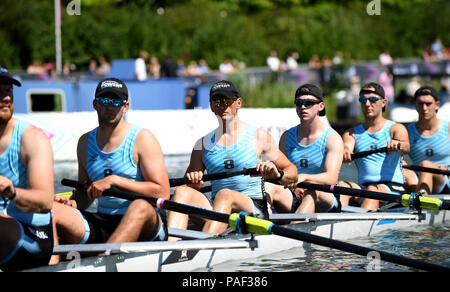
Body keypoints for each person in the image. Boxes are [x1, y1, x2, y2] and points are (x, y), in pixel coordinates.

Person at [166, 80, 297, 240]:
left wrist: (277, 174)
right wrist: (193, 182)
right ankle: (170, 246)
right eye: (217, 101)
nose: (222, 105)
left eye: (227, 101)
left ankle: (201, 248)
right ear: (211, 106)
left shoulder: (259, 136)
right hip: (219, 211)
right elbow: (191, 186)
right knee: (181, 192)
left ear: (238, 103)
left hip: (253, 212)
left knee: (225, 194)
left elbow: (292, 173)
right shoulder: (202, 144)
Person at [51, 78, 170, 251]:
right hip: (103, 220)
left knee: (140, 206)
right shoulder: (84, 143)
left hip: (145, 223)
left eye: (116, 101)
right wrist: (71, 204)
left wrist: (115, 181)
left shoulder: (143, 139)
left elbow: (163, 192)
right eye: (104, 101)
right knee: (52, 209)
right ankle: (51, 265)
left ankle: (103, 261)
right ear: (95, 104)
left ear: (125, 106)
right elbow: (85, 194)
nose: (110, 106)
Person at [0, 66, 55, 271]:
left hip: (33, 236)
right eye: (0, 91)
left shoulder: (32, 139)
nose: (6, 98)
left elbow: (44, 202)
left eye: (9, 91)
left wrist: (12, 192)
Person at [264, 84, 344, 214]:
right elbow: (282, 173)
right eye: (299, 103)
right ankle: (263, 226)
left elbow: (331, 178)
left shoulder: (332, 138)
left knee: (311, 192)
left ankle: (294, 229)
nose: (303, 107)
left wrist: (303, 178)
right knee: (268, 187)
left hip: (324, 197)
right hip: (294, 194)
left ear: (321, 106)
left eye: (309, 103)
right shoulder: (286, 137)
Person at [338, 82, 410, 210]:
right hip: (366, 187)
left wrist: (398, 144)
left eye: (372, 100)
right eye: (363, 100)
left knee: (372, 190)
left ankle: (357, 225)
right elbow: (347, 146)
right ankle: (333, 223)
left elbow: (406, 146)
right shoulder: (351, 133)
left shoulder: (395, 128)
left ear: (383, 103)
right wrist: (345, 151)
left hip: (394, 188)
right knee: (342, 186)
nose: (367, 104)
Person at [403, 86, 450, 195]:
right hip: (417, 180)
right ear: (415, 105)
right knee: (401, 164)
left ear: (437, 105)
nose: (424, 108)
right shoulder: (407, 132)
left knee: (425, 165)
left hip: (444, 180)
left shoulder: (448, 128)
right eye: (420, 104)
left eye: (428, 104)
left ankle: (420, 202)